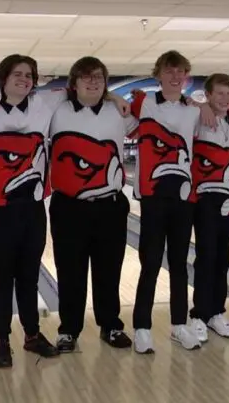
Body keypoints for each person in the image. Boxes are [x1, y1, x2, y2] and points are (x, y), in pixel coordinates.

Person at [0, 54, 63, 367]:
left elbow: (86, 88)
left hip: (34, 208)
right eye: (16, 74)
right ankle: (1, 339)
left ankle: (32, 335)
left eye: (28, 75)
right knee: (1, 279)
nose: (23, 79)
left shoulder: (44, 108)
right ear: (3, 79)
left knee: (28, 277)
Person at [48, 56, 137, 353]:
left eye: (98, 77)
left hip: (110, 206)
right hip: (68, 206)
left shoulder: (119, 112)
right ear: (74, 83)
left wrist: (115, 96)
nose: (93, 81)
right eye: (86, 77)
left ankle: (110, 326)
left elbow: (152, 114)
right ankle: (69, 330)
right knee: (69, 270)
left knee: (109, 270)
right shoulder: (55, 110)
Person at [129, 50, 202, 353]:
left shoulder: (195, 111)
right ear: (159, 74)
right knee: (150, 263)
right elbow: (103, 97)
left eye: (180, 72)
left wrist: (208, 105)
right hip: (153, 194)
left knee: (179, 264)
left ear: (185, 76)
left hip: (184, 194)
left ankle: (178, 325)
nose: (175, 77)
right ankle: (142, 328)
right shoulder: (142, 103)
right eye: (169, 71)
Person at [188, 73, 229, 340]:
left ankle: (217, 313)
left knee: (222, 258)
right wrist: (200, 106)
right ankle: (199, 313)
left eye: (228, 94)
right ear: (208, 95)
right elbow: (181, 103)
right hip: (205, 200)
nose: (225, 98)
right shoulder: (198, 119)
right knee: (206, 257)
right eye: (219, 94)